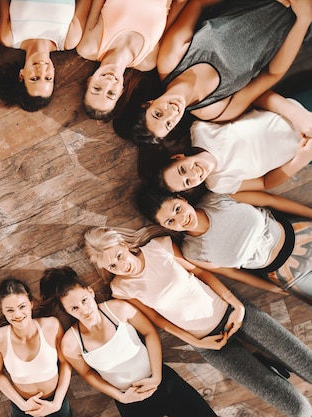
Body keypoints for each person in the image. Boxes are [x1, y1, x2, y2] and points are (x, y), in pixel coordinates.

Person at [83, 225, 312, 417]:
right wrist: (198, 342)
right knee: (298, 409)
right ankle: (262, 364)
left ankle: (264, 359)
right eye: (112, 266)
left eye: (119, 256)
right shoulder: (121, 288)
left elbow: (202, 273)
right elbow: (155, 320)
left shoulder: (159, 247)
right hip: (210, 344)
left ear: (124, 245)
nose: (122, 266)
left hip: (236, 314)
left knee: (307, 365)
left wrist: (236, 305)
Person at [39, 266, 218, 417]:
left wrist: (156, 377)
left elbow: (149, 333)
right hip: (131, 401)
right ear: (66, 311)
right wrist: (121, 397)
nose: (84, 310)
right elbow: (87, 373)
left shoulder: (118, 309)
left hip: (163, 382)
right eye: (74, 308)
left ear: (90, 292)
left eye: (84, 300)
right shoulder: (71, 343)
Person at [131, 0, 312, 144]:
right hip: (295, 23)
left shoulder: (170, 60)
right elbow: (272, 74)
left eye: (158, 114)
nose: (171, 113)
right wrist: (303, 19)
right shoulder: (217, 111)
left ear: (148, 103)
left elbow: (198, 3)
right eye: (169, 124)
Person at [137, 186, 312, 303]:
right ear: (164, 227)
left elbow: (270, 200)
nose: (181, 219)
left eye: (177, 209)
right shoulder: (191, 251)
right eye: (170, 221)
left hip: (302, 234)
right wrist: (269, 287)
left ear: (182, 199)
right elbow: (230, 272)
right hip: (289, 274)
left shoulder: (216, 199)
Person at [140, 89, 312, 193]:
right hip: (306, 152)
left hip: (301, 110)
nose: (194, 174)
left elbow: (254, 95)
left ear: (178, 157)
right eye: (187, 182)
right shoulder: (219, 184)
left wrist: (300, 117)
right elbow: (266, 182)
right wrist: (300, 160)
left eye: (182, 169)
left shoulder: (202, 130)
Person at [77, 0, 184, 121]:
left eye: (96, 88)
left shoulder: (89, 47)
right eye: (111, 93)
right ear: (121, 91)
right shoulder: (147, 61)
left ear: (89, 80)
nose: (107, 83)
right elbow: (171, 17)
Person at [0, 278, 72, 417]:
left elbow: (66, 363)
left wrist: (57, 402)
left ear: (31, 303)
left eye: (22, 306)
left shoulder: (51, 325)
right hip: (23, 407)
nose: (17, 315)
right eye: (9, 310)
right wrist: (22, 405)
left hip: (56, 403)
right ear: (2, 311)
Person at [0, 0, 90, 111]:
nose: (41, 71)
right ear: (54, 73)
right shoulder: (69, 39)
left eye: (34, 78)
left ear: (22, 75)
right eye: (48, 78)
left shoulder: (8, 37)